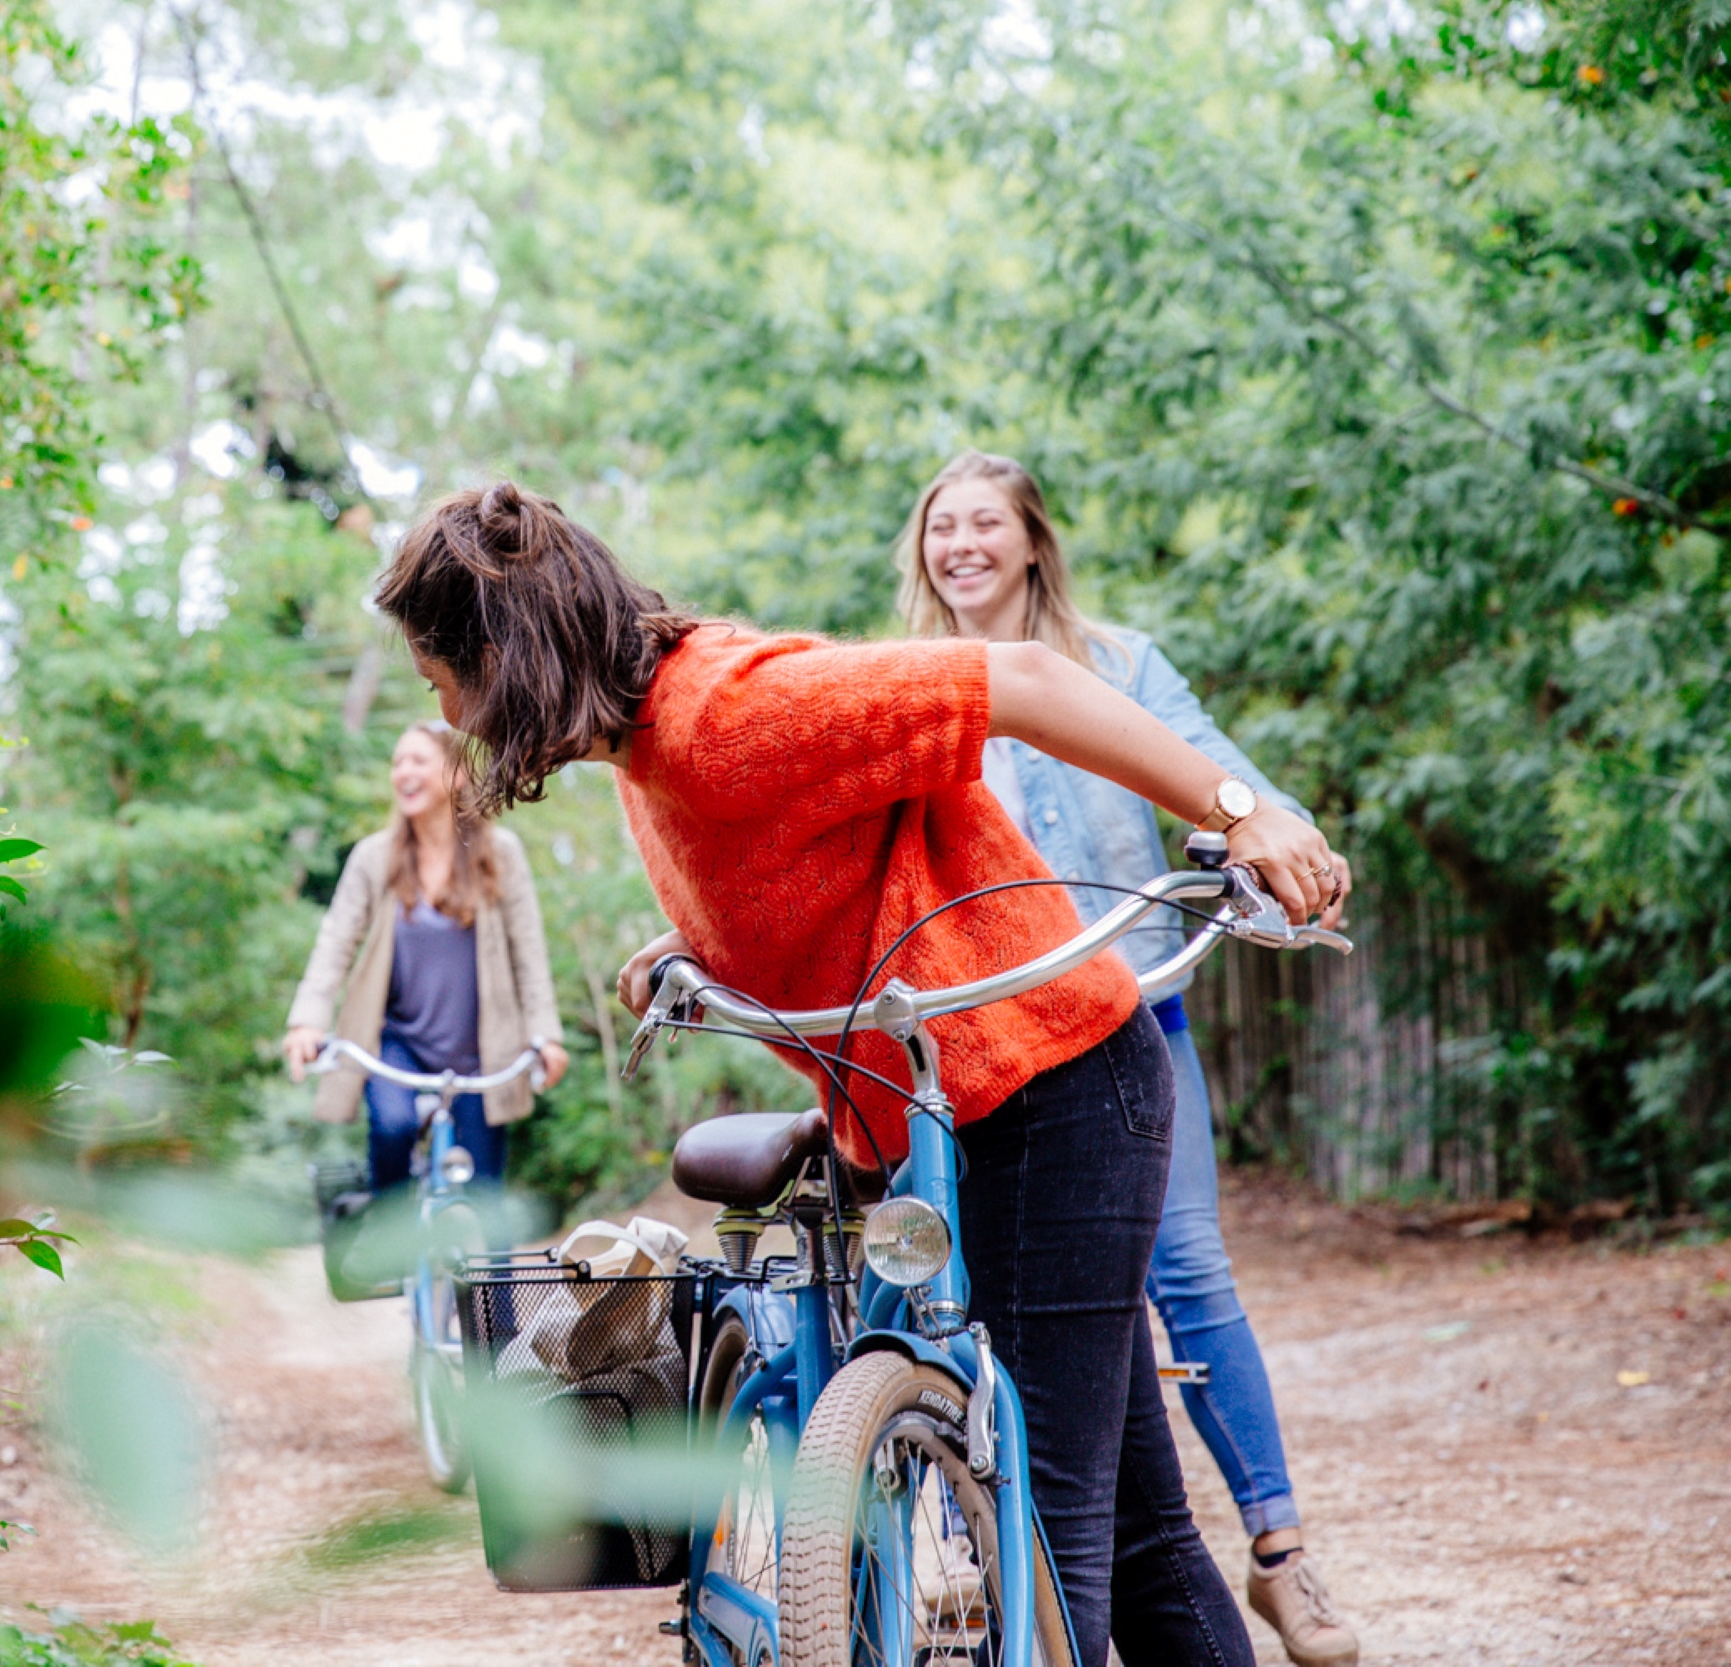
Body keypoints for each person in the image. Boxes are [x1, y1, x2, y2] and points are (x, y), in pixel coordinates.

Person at [374, 481, 1349, 1667]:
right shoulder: (649, 743)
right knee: (1136, 1534)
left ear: (507, 654)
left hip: (1054, 1093)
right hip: (967, 1107)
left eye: (442, 682)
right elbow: (823, 849)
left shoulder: (726, 713)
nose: (454, 717)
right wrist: (705, 945)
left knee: (1043, 1543)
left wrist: (1238, 811)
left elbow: (1026, 685)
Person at [896, 450, 1356, 1666]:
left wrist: (1275, 834)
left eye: (985, 521)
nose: (962, 545)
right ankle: (984, 1559)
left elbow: (1211, 770)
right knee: (961, 1301)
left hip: (1130, 1021)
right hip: (982, 1048)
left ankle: (1280, 1554)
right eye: (941, 527)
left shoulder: (1122, 665)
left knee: (1190, 1272)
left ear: (1032, 540)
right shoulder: (915, 684)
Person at [282, 720, 568, 1197]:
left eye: (417, 760)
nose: (403, 772)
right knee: (392, 1128)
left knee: (484, 1204)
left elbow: (529, 955)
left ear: (456, 773)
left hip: (480, 1052)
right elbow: (335, 943)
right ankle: (386, 1242)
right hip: (398, 1045)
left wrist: (547, 1036)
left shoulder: (501, 854)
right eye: (397, 763)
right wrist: (306, 1022)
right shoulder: (374, 858)